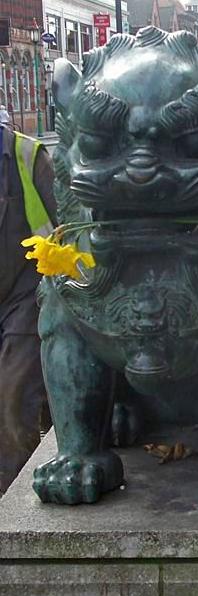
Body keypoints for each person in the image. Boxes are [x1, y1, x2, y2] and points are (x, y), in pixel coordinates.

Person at [0, 127, 57, 494]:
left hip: (25, 292)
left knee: (12, 394)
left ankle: (11, 494)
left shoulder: (27, 156)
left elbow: (65, 224)